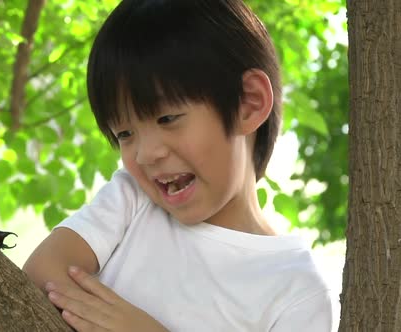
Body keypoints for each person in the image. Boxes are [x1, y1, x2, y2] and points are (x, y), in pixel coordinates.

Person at [23, 0, 332, 331]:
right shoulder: (133, 200)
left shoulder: (298, 293)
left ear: (248, 103)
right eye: (125, 133)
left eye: (167, 118)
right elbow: (40, 275)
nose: (146, 154)